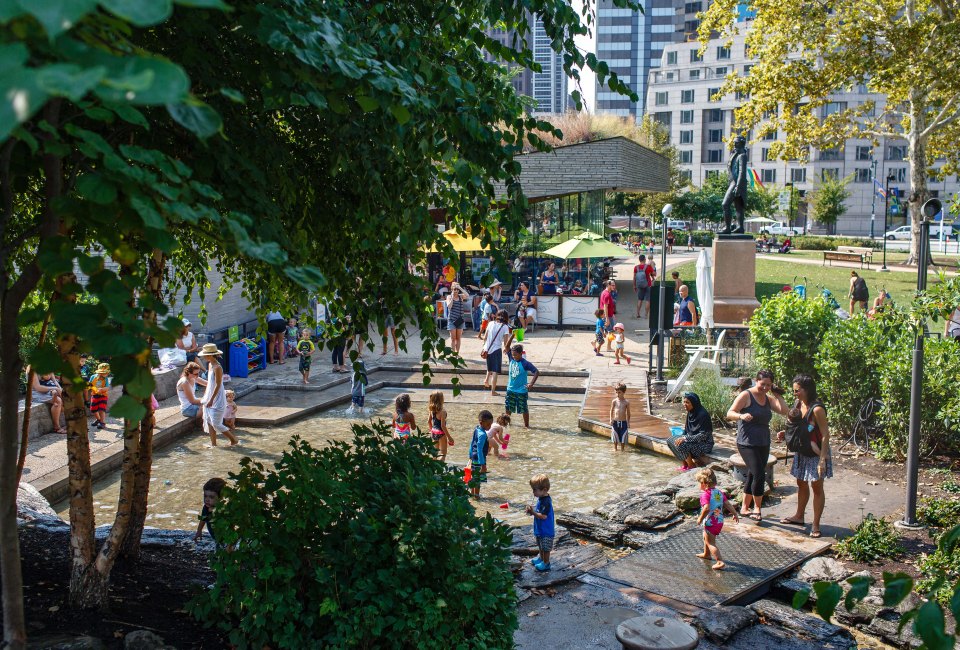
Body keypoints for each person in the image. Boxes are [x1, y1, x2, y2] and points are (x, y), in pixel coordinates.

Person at [726, 369, 787, 521]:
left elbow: (785, 411)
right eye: (762, 384)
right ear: (756, 380)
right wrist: (741, 415)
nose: (765, 388)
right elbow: (730, 413)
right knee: (760, 474)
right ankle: (757, 509)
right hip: (746, 443)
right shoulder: (746, 395)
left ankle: (745, 507)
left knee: (753, 474)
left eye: (769, 385)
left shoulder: (768, 398)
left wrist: (777, 394)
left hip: (763, 442)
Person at [777, 374, 833, 538]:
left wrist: (822, 460)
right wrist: (785, 432)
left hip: (816, 452)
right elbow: (797, 425)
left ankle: (815, 524)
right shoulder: (798, 403)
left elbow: (825, 435)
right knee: (801, 483)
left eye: (797, 390)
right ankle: (799, 516)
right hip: (802, 450)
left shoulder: (817, 409)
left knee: (817, 487)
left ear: (806, 389)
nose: (794, 394)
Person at [695, 468, 739, 570]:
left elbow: (706, 508)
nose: (698, 485)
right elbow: (727, 504)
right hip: (719, 521)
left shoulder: (705, 495)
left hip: (710, 522)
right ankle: (706, 554)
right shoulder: (719, 493)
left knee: (711, 542)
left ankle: (719, 561)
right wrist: (735, 513)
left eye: (699, 482)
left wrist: (700, 519)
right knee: (706, 537)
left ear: (704, 483)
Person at [198, 343, 238, 446]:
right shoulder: (210, 364)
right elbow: (211, 384)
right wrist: (207, 396)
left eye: (206, 355)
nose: (204, 357)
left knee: (216, 423)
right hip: (210, 395)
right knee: (208, 420)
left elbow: (218, 385)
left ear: (211, 355)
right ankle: (213, 444)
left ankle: (234, 440)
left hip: (217, 397)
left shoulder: (217, 367)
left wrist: (211, 399)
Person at [667, 392, 715, 471]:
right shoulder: (691, 412)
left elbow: (703, 435)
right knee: (671, 440)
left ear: (694, 403)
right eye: (684, 402)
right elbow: (687, 430)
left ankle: (691, 465)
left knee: (681, 444)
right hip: (692, 440)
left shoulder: (703, 415)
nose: (685, 404)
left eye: (687, 402)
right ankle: (685, 465)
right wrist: (682, 436)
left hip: (704, 444)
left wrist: (685, 439)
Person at [525, 473, 555, 572]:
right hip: (540, 529)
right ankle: (541, 559)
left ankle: (546, 563)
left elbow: (543, 516)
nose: (533, 492)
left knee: (546, 548)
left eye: (535, 489)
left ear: (544, 490)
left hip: (546, 530)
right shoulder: (541, 499)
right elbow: (538, 513)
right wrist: (531, 512)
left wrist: (533, 512)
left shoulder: (546, 502)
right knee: (540, 545)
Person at [506, 344, 539, 428]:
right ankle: (507, 423)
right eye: (512, 355)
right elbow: (506, 346)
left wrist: (531, 384)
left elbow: (536, 372)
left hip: (521, 390)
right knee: (509, 407)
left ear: (521, 354)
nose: (514, 356)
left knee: (524, 408)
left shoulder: (525, 363)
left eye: (515, 355)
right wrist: (513, 336)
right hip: (510, 389)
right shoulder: (511, 359)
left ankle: (526, 426)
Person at [481, 310, 512, 396]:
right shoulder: (505, 327)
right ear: (506, 318)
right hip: (496, 349)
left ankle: (486, 380)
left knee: (490, 365)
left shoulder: (490, 323)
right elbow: (506, 343)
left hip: (487, 349)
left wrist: (484, 347)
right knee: (495, 371)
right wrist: (507, 349)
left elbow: (485, 337)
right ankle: (493, 391)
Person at [29, 369, 65, 434]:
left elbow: (54, 381)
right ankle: (57, 427)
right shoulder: (32, 369)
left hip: (50, 388)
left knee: (66, 398)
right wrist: (55, 389)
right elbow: (38, 388)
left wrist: (60, 389)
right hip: (37, 393)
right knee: (58, 400)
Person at [193, 477, 226, 545]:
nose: (207, 499)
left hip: (226, 538)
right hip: (215, 537)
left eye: (211, 497)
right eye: (205, 496)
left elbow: (230, 527)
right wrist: (199, 531)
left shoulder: (223, 510)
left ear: (221, 497)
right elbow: (203, 519)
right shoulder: (206, 508)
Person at [468, 410, 493, 497]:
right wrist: (483, 464)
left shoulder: (476, 429)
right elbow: (479, 449)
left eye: (491, 424)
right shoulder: (482, 435)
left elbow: (472, 443)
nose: (490, 427)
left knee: (473, 477)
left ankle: (472, 493)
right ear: (481, 422)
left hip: (473, 457)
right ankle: (477, 495)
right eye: (488, 424)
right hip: (479, 459)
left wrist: (470, 455)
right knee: (478, 478)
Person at [427, 391, 453, 461]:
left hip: (434, 432)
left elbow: (429, 421)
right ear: (441, 399)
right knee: (443, 454)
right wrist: (449, 437)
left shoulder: (431, 410)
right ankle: (440, 469)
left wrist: (431, 430)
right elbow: (442, 426)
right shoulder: (443, 411)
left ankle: (432, 469)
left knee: (434, 453)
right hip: (441, 433)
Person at [445, 282, 468, 355]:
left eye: (457, 289)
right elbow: (449, 306)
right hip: (452, 319)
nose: (456, 291)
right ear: (452, 289)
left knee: (458, 338)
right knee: (453, 338)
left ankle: (457, 353)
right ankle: (453, 354)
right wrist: (452, 296)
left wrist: (460, 288)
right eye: (455, 289)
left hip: (460, 320)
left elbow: (467, 295)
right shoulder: (449, 297)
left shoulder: (461, 296)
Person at [608, 382, 631, 451]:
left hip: (623, 422)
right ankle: (615, 449)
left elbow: (628, 413)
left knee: (623, 437)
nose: (617, 394)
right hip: (615, 421)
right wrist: (611, 419)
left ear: (623, 392)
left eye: (619, 392)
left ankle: (622, 449)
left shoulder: (626, 402)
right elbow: (611, 410)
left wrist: (628, 422)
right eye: (616, 392)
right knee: (615, 436)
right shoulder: (614, 401)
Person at [88, 363, 111, 430]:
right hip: (95, 395)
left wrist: (102, 389)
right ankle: (98, 419)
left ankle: (102, 423)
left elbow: (107, 387)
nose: (106, 374)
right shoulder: (93, 377)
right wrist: (92, 388)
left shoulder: (105, 379)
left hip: (103, 396)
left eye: (106, 373)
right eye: (104, 373)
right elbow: (89, 385)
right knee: (93, 409)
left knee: (102, 409)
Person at [633, 255, 655, 319]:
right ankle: (646, 314)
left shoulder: (636, 267)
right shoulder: (648, 266)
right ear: (645, 259)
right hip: (648, 285)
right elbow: (654, 274)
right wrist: (652, 268)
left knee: (640, 299)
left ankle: (637, 313)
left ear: (639, 260)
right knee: (648, 300)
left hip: (639, 285)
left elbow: (634, 277)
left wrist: (634, 285)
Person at [599, 280, 617, 350]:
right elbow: (605, 307)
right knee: (610, 332)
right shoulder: (607, 294)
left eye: (614, 285)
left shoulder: (604, 292)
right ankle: (608, 347)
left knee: (605, 331)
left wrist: (612, 314)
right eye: (612, 285)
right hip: (607, 316)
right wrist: (607, 318)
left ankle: (596, 342)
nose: (614, 287)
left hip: (608, 315)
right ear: (608, 285)